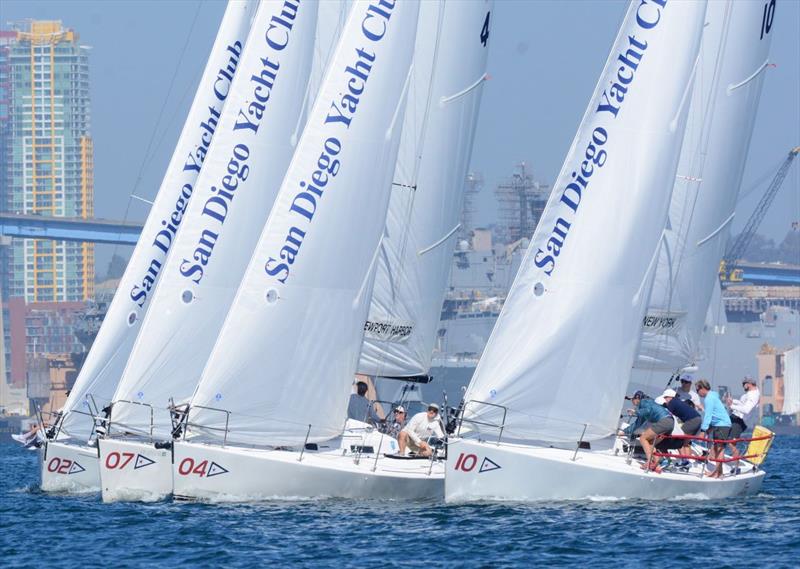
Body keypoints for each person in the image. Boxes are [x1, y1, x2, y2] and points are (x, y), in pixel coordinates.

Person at [623, 390, 674, 473]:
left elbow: (647, 410)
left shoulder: (643, 402)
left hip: (664, 421)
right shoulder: (649, 402)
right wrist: (627, 431)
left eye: (632, 399)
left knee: (643, 438)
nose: (632, 402)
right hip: (670, 423)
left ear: (637, 398)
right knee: (650, 442)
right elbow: (638, 424)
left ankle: (649, 461)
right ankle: (656, 462)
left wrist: (636, 412)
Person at [695, 379, 732, 479]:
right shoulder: (713, 396)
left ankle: (716, 473)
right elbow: (715, 415)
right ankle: (719, 473)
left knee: (718, 449)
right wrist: (709, 429)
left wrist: (703, 431)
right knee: (719, 449)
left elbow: (708, 416)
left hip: (721, 425)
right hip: (722, 425)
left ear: (702, 388)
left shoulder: (709, 398)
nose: (697, 392)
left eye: (697, 390)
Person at [725, 376, 761, 473]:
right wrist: (733, 402)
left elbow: (746, 410)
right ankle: (712, 457)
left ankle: (736, 467)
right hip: (735, 417)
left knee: (731, 443)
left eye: (743, 384)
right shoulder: (751, 393)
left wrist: (731, 406)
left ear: (748, 384)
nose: (742, 386)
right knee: (720, 435)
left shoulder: (753, 395)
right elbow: (742, 403)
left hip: (740, 421)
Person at [657, 388, 701, 461]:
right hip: (697, 419)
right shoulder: (677, 401)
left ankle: (683, 462)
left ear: (670, 397)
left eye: (665, 397)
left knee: (678, 441)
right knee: (685, 443)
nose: (665, 399)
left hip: (692, 421)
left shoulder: (672, 402)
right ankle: (686, 461)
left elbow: (666, 414)